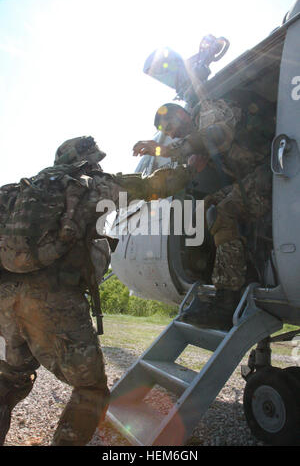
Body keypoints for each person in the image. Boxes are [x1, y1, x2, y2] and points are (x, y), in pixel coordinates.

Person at [0, 137, 126, 446]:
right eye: (94, 159)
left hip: (6, 298)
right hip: (52, 300)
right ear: (84, 161)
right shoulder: (88, 186)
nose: (98, 164)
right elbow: (134, 191)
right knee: (91, 389)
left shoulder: (21, 193)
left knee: (11, 376)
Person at [133, 97, 275, 331]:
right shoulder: (194, 140)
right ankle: (237, 275)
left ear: (183, 116)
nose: (172, 134)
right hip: (253, 177)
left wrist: (166, 149)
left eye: (170, 127)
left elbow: (218, 134)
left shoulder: (210, 109)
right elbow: (189, 166)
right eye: (167, 133)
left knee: (225, 212)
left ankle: (227, 300)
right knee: (208, 204)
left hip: (270, 170)